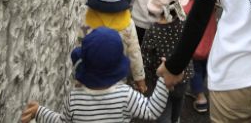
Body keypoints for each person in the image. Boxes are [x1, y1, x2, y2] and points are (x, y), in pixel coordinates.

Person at [20, 27, 169, 123]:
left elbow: (62, 122)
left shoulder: (74, 99)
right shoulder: (125, 95)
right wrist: (164, 78)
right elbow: (152, 110)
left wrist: (40, 111)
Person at [79, 0, 147, 93]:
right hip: (118, 81)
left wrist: (78, 80)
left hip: (91, 82)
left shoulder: (87, 24)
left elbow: (81, 50)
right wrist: (139, 78)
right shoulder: (127, 26)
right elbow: (134, 52)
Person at [141, 0, 194, 123]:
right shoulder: (185, 23)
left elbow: (146, 56)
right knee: (178, 100)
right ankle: (176, 119)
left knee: (163, 110)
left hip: (162, 79)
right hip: (184, 74)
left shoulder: (153, 30)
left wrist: (148, 76)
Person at [179, 0, 218, 114]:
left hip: (194, 47)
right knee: (204, 69)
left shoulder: (187, 7)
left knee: (194, 71)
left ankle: (200, 98)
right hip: (211, 45)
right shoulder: (212, 3)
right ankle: (201, 88)